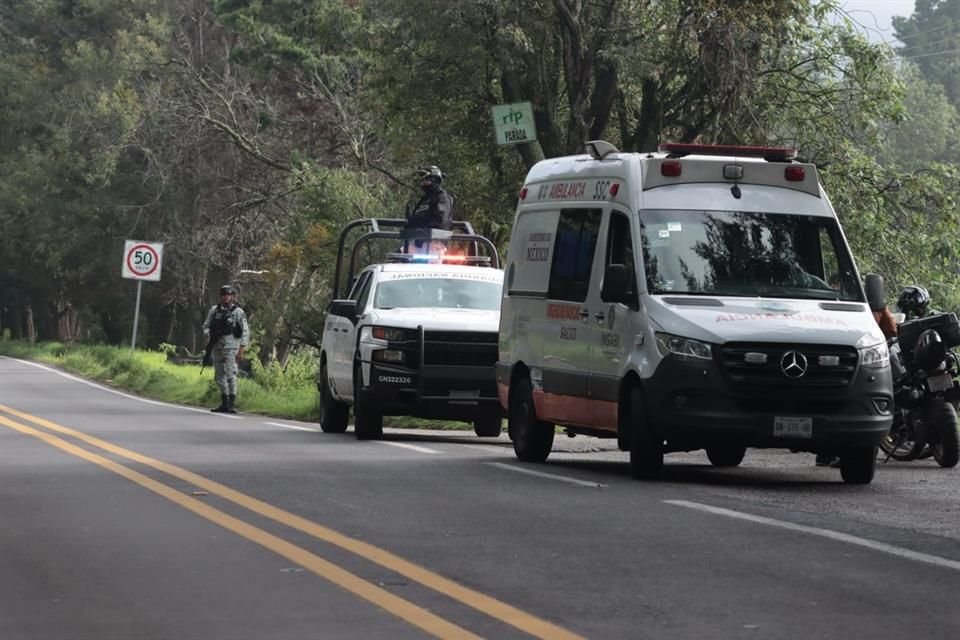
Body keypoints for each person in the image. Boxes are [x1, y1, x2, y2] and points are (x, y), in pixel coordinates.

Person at [202, 284, 250, 413]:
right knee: (219, 376)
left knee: (231, 374)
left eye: (228, 295)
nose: (225, 297)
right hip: (217, 346)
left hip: (231, 347)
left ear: (232, 297)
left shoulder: (238, 312)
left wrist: (242, 349)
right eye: (223, 295)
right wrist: (208, 335)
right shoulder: (214, 310)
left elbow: (245, 331)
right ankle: (225, 401)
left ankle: (232, 403)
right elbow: (206, 325)